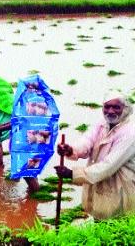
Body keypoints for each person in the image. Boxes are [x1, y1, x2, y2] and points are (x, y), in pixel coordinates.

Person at [55, 90, 135, 220]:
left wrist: (72, 174)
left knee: (118, 220)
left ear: (125, 109)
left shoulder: (130, 133)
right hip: (99, 179)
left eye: (116, 107)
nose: (110, 111)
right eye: (107, 106)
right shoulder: (102, 124)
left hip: (121, 184)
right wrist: (70, 150)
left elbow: (108, 166)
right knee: (100, 215)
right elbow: (87, 141)